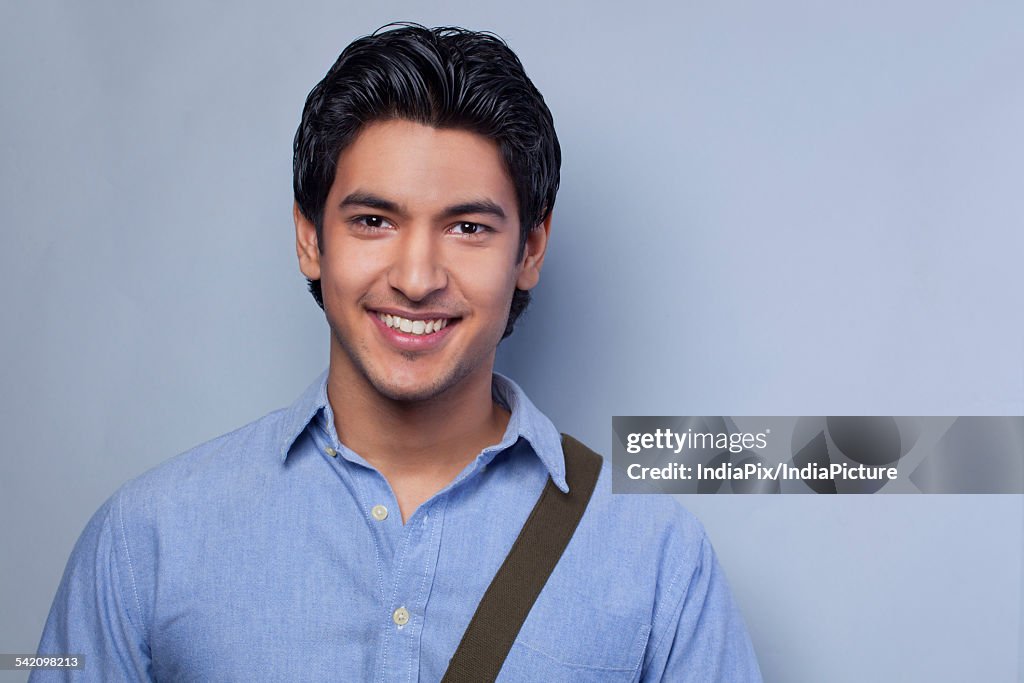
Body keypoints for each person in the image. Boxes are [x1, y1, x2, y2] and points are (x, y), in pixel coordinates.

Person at [32, 24, 762, 682]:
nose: (416, 279)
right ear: (311, 239)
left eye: (469, 227)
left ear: (530, 249)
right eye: (374, 220)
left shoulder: (656, 557)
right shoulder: (148, 539)